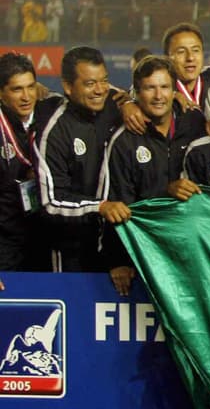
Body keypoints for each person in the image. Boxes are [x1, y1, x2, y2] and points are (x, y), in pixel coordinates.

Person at [100, 56, 205, 295]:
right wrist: (118, 260)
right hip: (145, 254)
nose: (159, 96)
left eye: (165, 87)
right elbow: (118, 204)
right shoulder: (124, 140)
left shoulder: (194, 122)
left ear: (174, 90)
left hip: (189, 251)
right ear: (136, 92)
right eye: (150, 88)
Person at [34, 47, 142, 272]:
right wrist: (99, 207)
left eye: (104, 80)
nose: (99, 90)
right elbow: (51, 203)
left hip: (116, 246)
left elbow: (148, 95)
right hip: (71, 251)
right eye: (90, 83)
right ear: (67, 87)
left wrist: (131, 101)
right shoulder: (55, 132)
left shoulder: (116, 103)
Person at [0, 53, 56, 271]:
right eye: (17, 89)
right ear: (2, 93)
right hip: (5, 247)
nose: (26, 97)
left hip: (46, 242)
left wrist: (128, 103)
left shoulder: (51, 113)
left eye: (30, 87)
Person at [162, 22, 210, 114]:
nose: (190, 57)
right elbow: (141, 89)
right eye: (181, 52)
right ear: (167, 58)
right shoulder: (161, 92)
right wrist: (132, 103)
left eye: (195, 50)